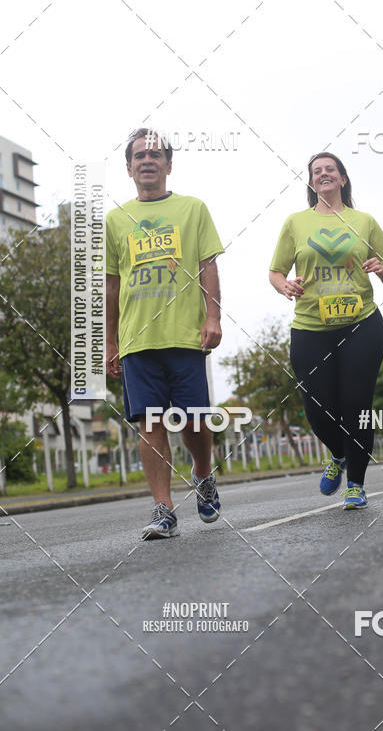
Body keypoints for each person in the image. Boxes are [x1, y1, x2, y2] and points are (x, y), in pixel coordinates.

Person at [106, 128, 224, 539]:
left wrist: (213, 318)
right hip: (138, 340)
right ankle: (163, 509)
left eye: (155, 155)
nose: (147, 161)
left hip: (186, 335)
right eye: (139, 156)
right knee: (150, 422)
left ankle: (203, 473)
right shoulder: (115, 220)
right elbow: (111, 284)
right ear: (129, 168)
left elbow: (208, 265)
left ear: (169, 165)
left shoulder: (193, 209)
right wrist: (110, 340)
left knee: (194, 422)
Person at [269, 152, 383, 509]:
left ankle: (356, 483)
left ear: (342, 178)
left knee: (357, 405)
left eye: (330, 170)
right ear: (312, 183)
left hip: (362, 324)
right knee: (317, 407)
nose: (324, 174)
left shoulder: (363, 220)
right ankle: (339, 454)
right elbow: (276, 272)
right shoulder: (296, 223)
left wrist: (381, 269)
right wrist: (285, 287)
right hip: (311, 327)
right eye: (316, 171)